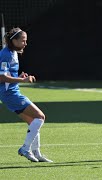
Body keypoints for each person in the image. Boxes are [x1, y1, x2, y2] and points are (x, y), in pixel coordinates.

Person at [0, 27, 52, 162]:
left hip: (12, 92)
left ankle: (37, 153)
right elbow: (1, 77)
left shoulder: (14, 53)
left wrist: (18, 77)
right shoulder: (5, 54)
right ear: (14, 40)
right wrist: (22, 80)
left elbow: (8, 76)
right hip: (9, 94)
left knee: (33, 121)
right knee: (40, 117)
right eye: (23, 40)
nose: (25, 43)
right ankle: (25, 148)